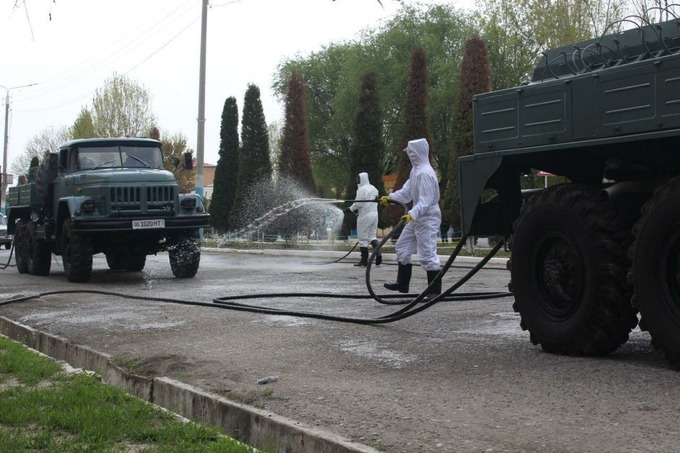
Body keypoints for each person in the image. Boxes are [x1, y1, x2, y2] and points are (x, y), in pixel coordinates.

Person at [380, 138, 442, 301]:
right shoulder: (415, 171)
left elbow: (426, 201)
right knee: (402, 247)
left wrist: (412, 214)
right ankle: (402, 284)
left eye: (410, 152)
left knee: (427, 253)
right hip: (416, 217)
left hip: (427, 218)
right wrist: (390, 198)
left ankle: (435, 291)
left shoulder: (425, 173)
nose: (409, 155)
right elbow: (406, 193)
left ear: (416, 153)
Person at [345, 172, 382, 266]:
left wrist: (350, 209)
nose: (357, 180)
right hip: (374, 215)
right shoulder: (374, 189)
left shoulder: (362, 189)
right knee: (372, 236)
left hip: (365, 216)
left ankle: (364, 260)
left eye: (358, 178)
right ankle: (378, 253)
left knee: (362, 239)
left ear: (363, 179)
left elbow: (358, 203)